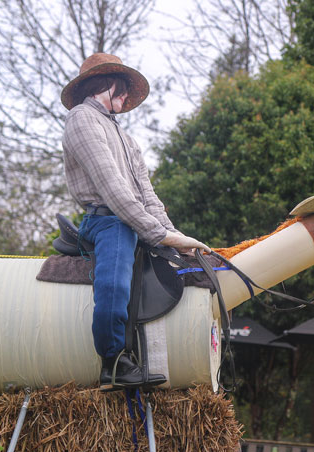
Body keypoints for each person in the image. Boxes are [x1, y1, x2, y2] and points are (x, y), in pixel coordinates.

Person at [61, 53, 209, 387]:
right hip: (107, 221)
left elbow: (147, 195)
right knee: (114, 284)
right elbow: (113, 191)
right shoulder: (81, 119)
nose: (127, 98)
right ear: (105, 84)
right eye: (123, 89)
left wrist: (174, 235)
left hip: (132, 219)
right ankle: (112, 363)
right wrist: (159, 235)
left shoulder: (127, 140)